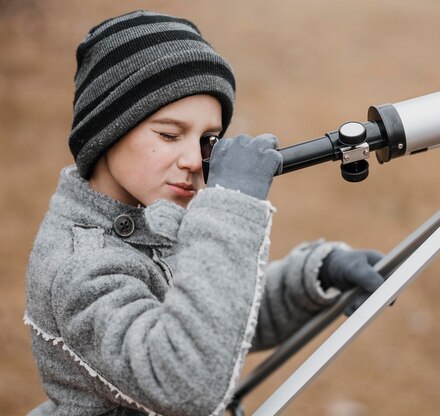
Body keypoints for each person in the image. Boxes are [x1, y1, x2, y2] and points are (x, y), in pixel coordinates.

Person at [24, 9, 384, 416]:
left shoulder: (148, 218)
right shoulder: (81, 265)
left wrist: (312, 276)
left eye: (208, 139)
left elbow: (211, 321)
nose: (195, 160)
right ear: (108, 130)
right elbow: (185, 380)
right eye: (170, 134)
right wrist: (230, 206)